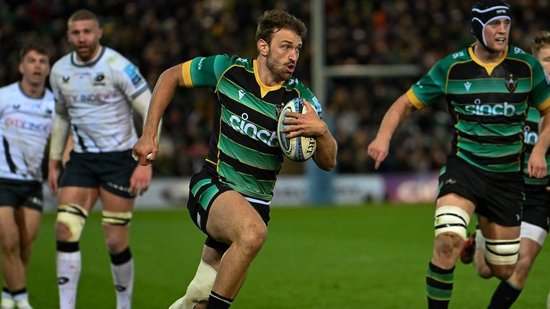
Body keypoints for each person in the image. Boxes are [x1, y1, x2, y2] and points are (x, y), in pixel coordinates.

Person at [133, 9, 337, 309]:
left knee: (198, 299)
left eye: (297, 49)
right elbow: (169, 76)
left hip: (257, 204)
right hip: (213, 186)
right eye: (285, 46)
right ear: (263, 46)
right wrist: (150, 134)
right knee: (252, 234)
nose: (293, 55)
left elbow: (329, 162)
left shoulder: (301, 100)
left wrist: (322, 132)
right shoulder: (228, 70)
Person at [366, 1, 550, 308]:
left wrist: (540, 149)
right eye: (495, 24)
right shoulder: (450, 67)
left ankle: (480, 237)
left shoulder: (526, 67)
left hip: (506, 178)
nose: (503, 30)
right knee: (447, 240)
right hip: (464, 169)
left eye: (506, 23)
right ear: (478, 27)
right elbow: (405, 103)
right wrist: (383, 137)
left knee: (501, 268)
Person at [47, 9, 153, 309]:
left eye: (87, 32)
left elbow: (151, 110)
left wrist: (145, 162)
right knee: (64, 229)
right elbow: (61, 116)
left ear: (98, 33)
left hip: (120, 159)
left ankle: (123, 304)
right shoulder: (59, 71)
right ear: (68, 36)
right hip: (82, 160)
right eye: (76, 33)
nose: (82, 38)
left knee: (114, 241)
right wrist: (54, 159)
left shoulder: (119, 67)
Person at [460, 30, 550, 308]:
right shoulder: (517, 93)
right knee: (487, 270)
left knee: (522, 265)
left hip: (541, 196)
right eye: (547, 59)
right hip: (510, 190)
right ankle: (480, 238)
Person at [0, 43, 53, 309]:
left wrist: (58, 166)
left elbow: (62, 139)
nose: (37, 66)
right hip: (3, 179)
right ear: (22, 67)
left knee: (25, 244)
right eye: (32, 61)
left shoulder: (53, 104)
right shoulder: (4, 97)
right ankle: (21, 298)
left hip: (32, 182)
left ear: (48, 68)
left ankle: (8, 294)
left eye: (42, 61)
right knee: (7, 240)